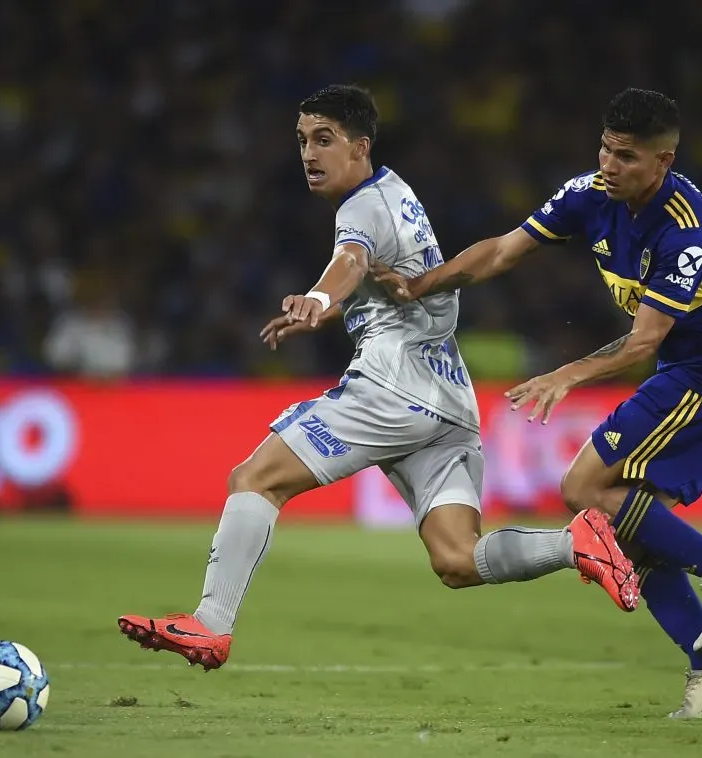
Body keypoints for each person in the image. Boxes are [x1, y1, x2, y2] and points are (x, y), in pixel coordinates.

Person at [117, 85, 639, 672]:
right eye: (301, 141)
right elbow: (385, 283)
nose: (308, 154)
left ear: (360, 147)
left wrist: (319, 295)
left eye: (324, 139)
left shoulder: (361, 208)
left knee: (256, 477)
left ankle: (210, 625)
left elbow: (352, 261)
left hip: (392, 387)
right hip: (448, 403)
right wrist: (329, 310)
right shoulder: (397, 195)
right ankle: (576, 544)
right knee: (457, 560)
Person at [372, 88, 702, 719]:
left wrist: (568, 374)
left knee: (582, 485)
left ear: (664, 161)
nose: (610, 165)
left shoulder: (686, 229)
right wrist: (421, 284)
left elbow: (644, 341)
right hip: (687, 375)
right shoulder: (590, 192)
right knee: (629, 529)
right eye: (606, 150)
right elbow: (504, 249)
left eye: (628, 157)